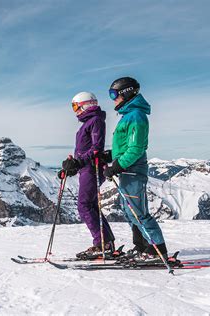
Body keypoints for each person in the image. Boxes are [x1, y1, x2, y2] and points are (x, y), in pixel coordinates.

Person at [102, 77, 168, 263]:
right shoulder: (128, 116)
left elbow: (136, 148)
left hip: (133, 170)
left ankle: (156, 251)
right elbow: (125, 147)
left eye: (114, 94)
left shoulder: (136, 116)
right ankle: (141, 246)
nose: (112, 98)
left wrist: (117, 165)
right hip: (127, 170)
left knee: (138, 211)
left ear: (126, 92)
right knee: (129, 211)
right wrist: (109, 156)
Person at [59, 91, 116, 259]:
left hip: (92, 169)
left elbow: (96, 148)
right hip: (86, 168)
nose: (75, 110)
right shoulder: (88, 123)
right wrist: (71, 167)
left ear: (85, 104)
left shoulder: (95, 121)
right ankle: (106, 243)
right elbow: (86, 151)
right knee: (90, 206)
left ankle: (102, 244)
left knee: (84, 206)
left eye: (75, 106)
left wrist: (78, 162)